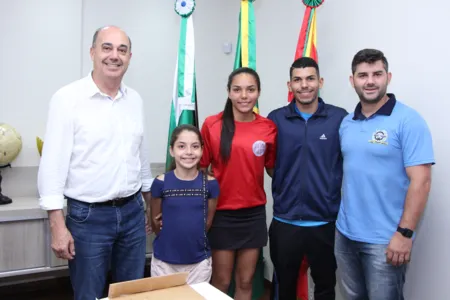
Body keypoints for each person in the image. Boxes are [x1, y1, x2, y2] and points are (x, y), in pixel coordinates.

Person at [37, 26, 153, 300]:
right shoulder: (67, 99)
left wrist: (150, 204)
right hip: (88, 218)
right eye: (107, 48)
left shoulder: (134, 100)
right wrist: (57, 225)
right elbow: (52, 164)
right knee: (89, 294)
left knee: (130, 294)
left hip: (133, 214)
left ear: (129, 57)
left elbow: (142, 156)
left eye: (122, 50)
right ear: (92, 53)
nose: (114, 56)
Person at [336, 48, 435, 300]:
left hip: (385, 241)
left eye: (377, 74)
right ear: (352, 80)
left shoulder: (408, 121)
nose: (370, 81)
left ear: (388, 77)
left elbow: (421, 181)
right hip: (345, 236)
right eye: (363, 75)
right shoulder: (347, 123)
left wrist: (404, 234)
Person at [267, 57, 348, 300]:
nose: (304, 85)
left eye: (310, 78)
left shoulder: (339, 118)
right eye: (298, 80)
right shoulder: (276, 119)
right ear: (289, 85)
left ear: (320, 81)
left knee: (325, 288)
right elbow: (270, 164)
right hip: (285, 221)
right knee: (285, 289)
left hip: (325, 223)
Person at [200, 67, 277, 300]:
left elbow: (274, 170)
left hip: (253, 215)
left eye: (250, 89)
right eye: (237, 90)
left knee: (246, 281)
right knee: (221, 282)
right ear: (229, 92)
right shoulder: (212, 125)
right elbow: (200, 170)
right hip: (221, 215)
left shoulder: (268, 127)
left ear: (258, 92)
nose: (244, 96)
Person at [149, 124, 219, 284]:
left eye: (195, 147)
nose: (188, 152)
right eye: (181, 146)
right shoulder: (161, 182)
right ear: (172, 150)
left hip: (198, 263)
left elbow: (207, 222)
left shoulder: (211, 184)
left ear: (202, 150)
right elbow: (155, 222)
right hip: (164, 262)